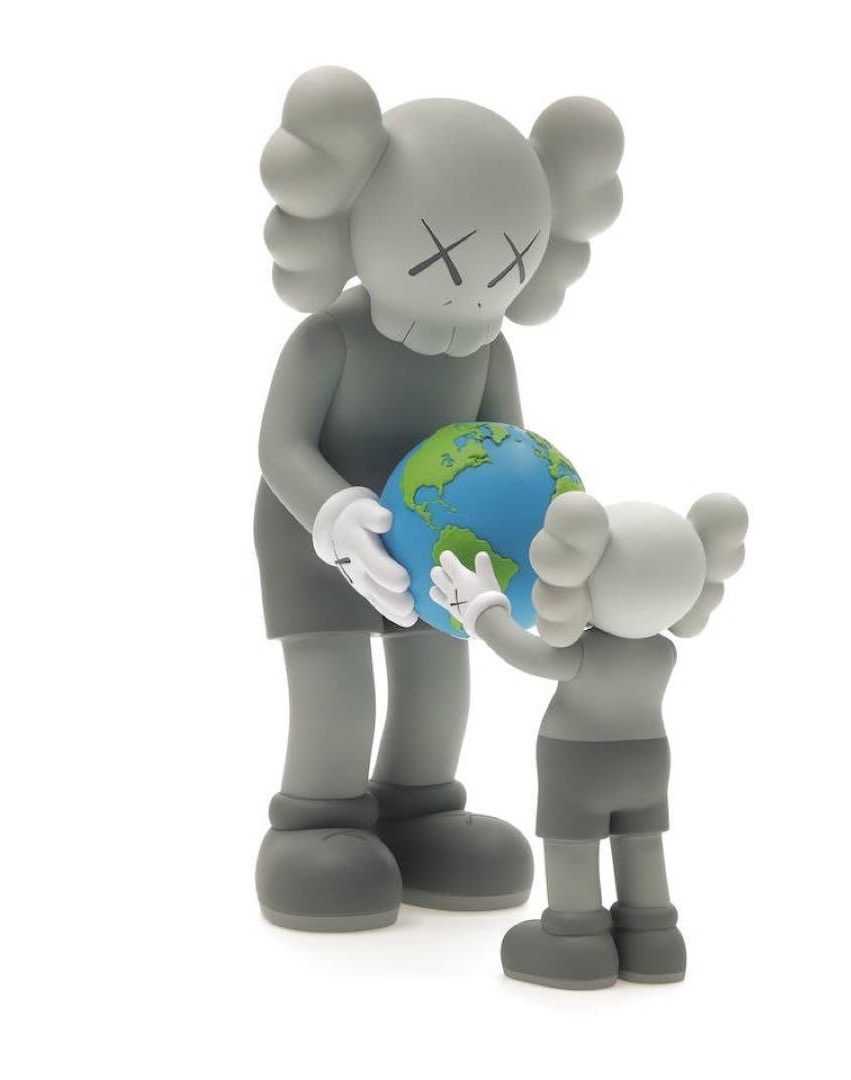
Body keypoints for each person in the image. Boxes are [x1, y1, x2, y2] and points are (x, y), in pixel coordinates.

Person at [254, 67, 624, 930]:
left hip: (444, 549)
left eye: (511, 263)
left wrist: (543, 537)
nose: (478, 287)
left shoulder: (490, 352)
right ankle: (314, 821)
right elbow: (280, 448)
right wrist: (336, 516)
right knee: (338, 685)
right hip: (315, 538)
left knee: (438, 677)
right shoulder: (326, 341)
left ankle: (417, 809)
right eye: (446, 258)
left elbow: (511, 453)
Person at [431, 490, 747, 987]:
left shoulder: (582, 655)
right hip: (648, 765)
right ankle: (655, 939)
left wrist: (480, 606)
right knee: (642, 842)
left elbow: (522, 651)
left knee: (572, 845)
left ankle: (574, 936)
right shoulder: (661, 654)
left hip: (577, 766)